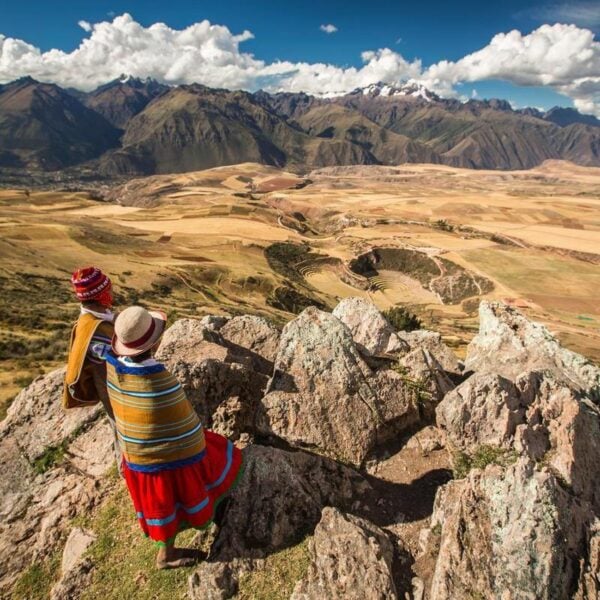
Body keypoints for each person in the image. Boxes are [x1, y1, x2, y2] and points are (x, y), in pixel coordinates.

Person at [106, 305, 243, 569]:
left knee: (160, 506)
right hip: (168, 456)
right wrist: (193, 437)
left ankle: (166, 552)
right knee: (217, 454)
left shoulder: (113, 368)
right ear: (154, 343)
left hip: (135, 453)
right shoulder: (156, 378)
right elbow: (184, 421)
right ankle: (214, 513)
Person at [63, 266, 121, 466]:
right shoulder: (95, 329)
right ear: (101, 295)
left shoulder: (95, 319)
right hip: (116, 393)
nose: (113, 293)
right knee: (125, 436)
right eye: (109, 289)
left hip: (114, 391)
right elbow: (120, 360)